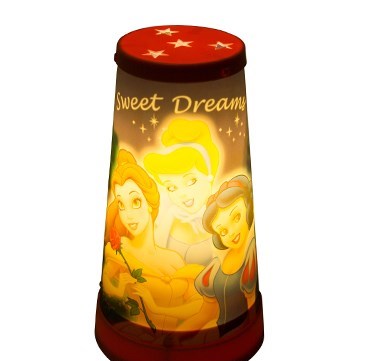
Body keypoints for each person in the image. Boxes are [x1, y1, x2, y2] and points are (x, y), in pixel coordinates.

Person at [101, 149, 216, 333]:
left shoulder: (174, 260)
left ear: (150, 203)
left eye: (136, 201)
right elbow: (112, 296)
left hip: (180, 339)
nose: (128, 215)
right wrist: (119, 289)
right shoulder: (119, 250)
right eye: (121, 204)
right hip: (132, 336)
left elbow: (198, 305)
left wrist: (158, 309)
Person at [144, 118, 220, 267]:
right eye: (171, 187)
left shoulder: (225, 215)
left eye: (191, 181)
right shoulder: (164, 219)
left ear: (209, 176)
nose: (182, 194)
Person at [195, 175, 258, 336]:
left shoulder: (249, 257)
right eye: (223, 231)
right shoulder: (216, 266)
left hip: (241, 335)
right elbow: (205, 313)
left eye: (236, 217)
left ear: (249, 211)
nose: (231, 233)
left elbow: (251, 310)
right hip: (219, 333)